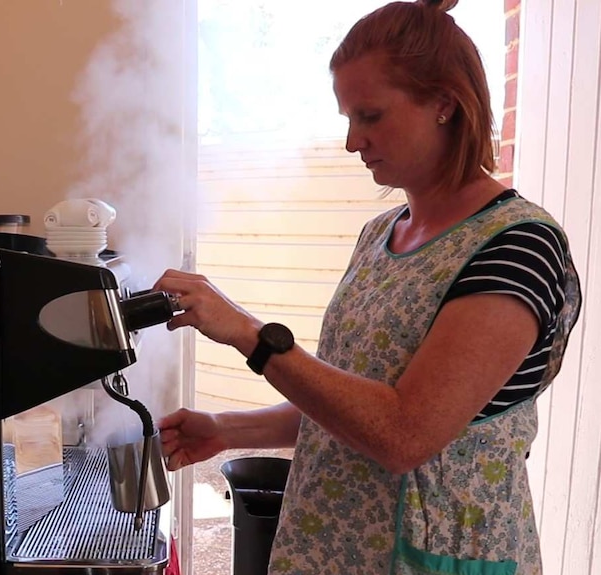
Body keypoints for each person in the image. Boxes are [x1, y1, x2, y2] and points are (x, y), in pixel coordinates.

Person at [153, 1, 583, 573]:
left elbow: (403, 432)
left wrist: (253, 337)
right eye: (347, 118)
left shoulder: (516, 247)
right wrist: (226, 430)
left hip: (432, 558)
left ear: (444, 105)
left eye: (370, 116)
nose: (353, 142)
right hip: (331, 552)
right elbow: (348, 404)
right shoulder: (381, 234)